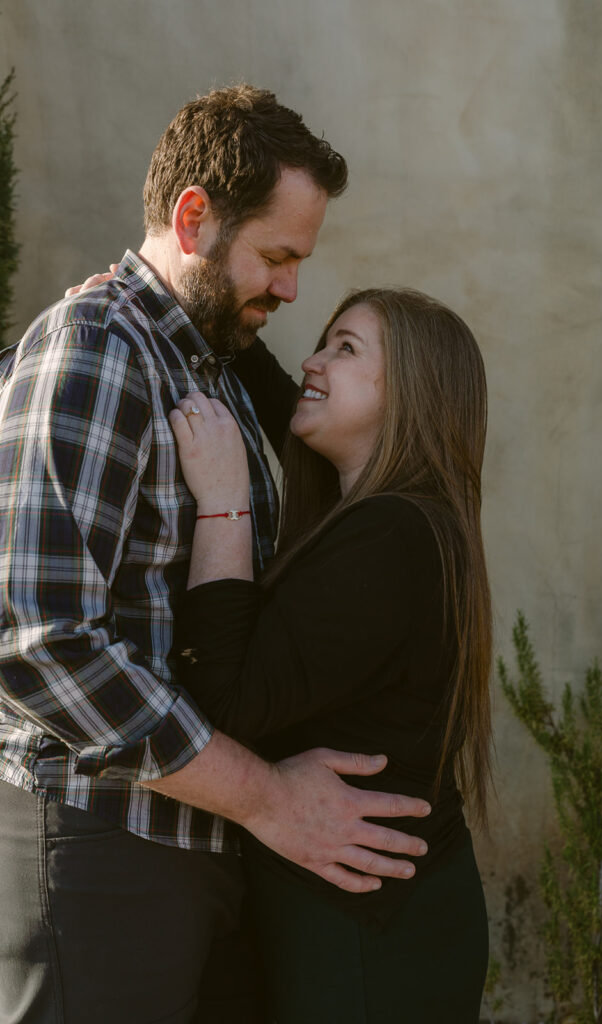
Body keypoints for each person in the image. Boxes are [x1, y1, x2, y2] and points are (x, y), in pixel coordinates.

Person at [0, 86, 431, 1024]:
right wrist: (269, 796)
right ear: (193, 218)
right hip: (98, 853)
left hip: (193, 853)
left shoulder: (209, 366)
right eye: (276, 257)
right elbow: (37, 642)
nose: (290, 290)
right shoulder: (96, 349)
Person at [169, 286, 493, 1023]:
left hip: (369, 941)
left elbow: (221, 705)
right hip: (350, 916)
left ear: (410, 389)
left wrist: (223, 500)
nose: (315, 361)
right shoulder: (398, 522)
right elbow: (285, 389)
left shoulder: (393, 537)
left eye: (345, 348)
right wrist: (164, 297)